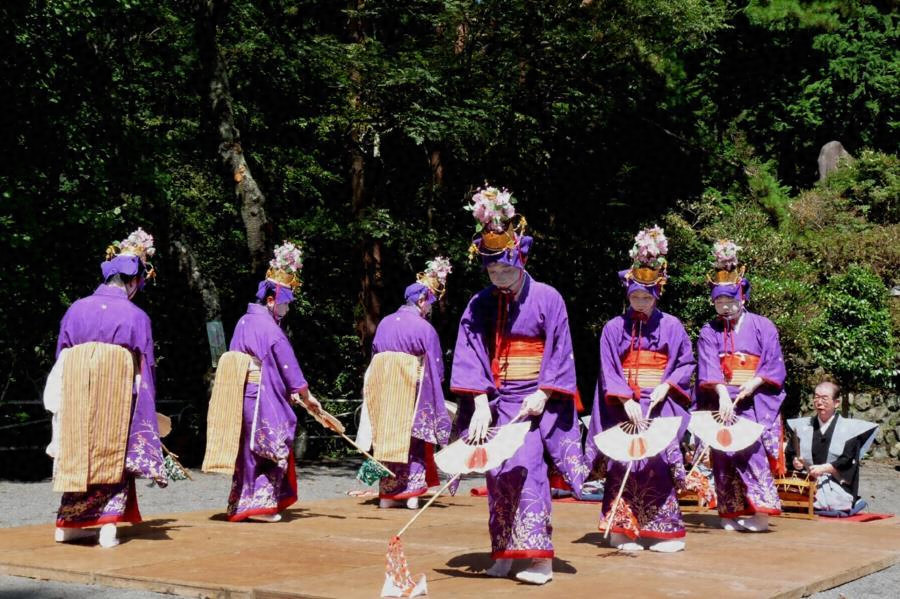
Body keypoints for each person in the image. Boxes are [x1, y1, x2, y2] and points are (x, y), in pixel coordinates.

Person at [450, 185, 586, 585]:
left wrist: (544, 392)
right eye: (492, 271)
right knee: (497, 474)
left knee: (526, 468)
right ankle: (504, 552)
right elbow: (469, 350)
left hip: (533, 398)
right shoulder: (480, 302)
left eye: (505, 270)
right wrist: (477, 401)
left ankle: (539, 557)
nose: (499, 278)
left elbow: (560, 349)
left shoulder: (548, 298)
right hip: (495, 400)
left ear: (521, 261)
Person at [47, 228, 167, 548]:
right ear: (132, 281)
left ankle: (67, 523)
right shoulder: (136, 316)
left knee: (80, 450)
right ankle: (108, 526)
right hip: (118, 396)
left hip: (78, 393)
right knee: (115, 452)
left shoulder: (75, 309)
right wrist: (146, 410)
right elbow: (145, 369)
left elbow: (62, 358)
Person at [585, 226, 695, 552]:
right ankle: (622, 531)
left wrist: (667, 385)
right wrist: (623, 398)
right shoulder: (612, 327)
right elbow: (608, 369)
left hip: (659, 405)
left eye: (646, 297)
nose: (640, 302)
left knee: (656, 465)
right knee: (623, 465)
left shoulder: (672, 326)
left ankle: (664, 532)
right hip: (625, 406)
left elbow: (686, 364)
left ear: (657, 293)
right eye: (635, 296)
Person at [204, 241, 322, 522]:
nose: (286, 309)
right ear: (271, 300)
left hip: (243, 393)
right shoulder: (270, 329)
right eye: (284, 304)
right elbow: (288, 367)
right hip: (260, 395)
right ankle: (261, 504)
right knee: (267, 447)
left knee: (247, 449)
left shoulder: (244, 321)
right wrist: (305, 395)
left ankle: (241, 504)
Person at [695, 240, 784, 531]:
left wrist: (755, 383)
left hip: (753, 399)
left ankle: (761, 513)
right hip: (723, 399)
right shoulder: (709, 330)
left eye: (730, 302)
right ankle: (729, 512)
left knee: (752, 452)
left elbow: (773, 363)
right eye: (719, 302)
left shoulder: (763, 326)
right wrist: (721, 394)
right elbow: (708, 365)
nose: (725, 307)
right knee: (722, 454)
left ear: (742, 298)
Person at [360, 257, 453, 509]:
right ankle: (411, 493)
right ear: (422, 301)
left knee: (387, 436)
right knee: (414, 438)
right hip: (412, 390)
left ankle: (388, 494)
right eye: (430, 302)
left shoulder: (385, 323)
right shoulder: (424, 328)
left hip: (384, 389)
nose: (430, 308)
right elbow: (436, 367)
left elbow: (375, 355)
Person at [786, 381, 878, 514]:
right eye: (816, 397)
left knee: (832, 503)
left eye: (824, 398)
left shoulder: (850, 429)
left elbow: (848, 460)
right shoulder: (801, 426)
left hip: (835, 482)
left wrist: (826, 468)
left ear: (836, 403)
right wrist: (795, 462)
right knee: (789, 498)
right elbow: (791, 452)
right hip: (806, 480)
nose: (819, 402)